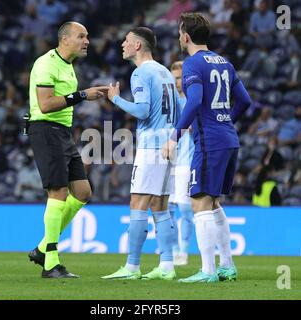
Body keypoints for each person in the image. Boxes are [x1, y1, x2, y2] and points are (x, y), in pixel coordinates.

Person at [162, 13, 252, 283]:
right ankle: (227, 265)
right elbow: (244, 101)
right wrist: (224, 121)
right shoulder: (224, 62)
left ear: (186, 36)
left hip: (210, 142)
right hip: (228, 138)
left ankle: (208, 271)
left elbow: (194, 101)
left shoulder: (192, 64)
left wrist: (174, 136)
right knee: (213, 203)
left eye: (180, 33)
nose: (179, 37)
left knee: (199, 201)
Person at [27, 21, 108, 278]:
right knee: (58, 191)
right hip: (45, 129)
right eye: (81, 36)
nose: (86, 41)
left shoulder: (68, 67)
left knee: (82, 192)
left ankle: (42, 248)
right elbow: (46, 104)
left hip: (62, 132)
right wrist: (82, 95)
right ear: (64, 40)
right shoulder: (46, 63)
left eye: (87, 36)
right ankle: (50, 262)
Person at [102, 27, 180, 280]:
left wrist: (114, 98)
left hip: (151, 147)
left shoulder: (141, 73)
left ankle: (132, 266)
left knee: (138, 202)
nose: (122, 44)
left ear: (137, 45)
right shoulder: (165, 72)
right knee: (161, 205)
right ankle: (167, 265)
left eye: (126, 41)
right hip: (170, 145)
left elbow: (143, 111)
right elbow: (179, 108)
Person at [168, 61, 194, 266]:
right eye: (173, 77)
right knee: (166, 209)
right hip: (167, 163)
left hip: (186, 162)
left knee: (185, 209)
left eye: (179, 77)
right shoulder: (167, 102)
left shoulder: (194, 102)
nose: (176, 82)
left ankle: (183, 251)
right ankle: (173, 250)